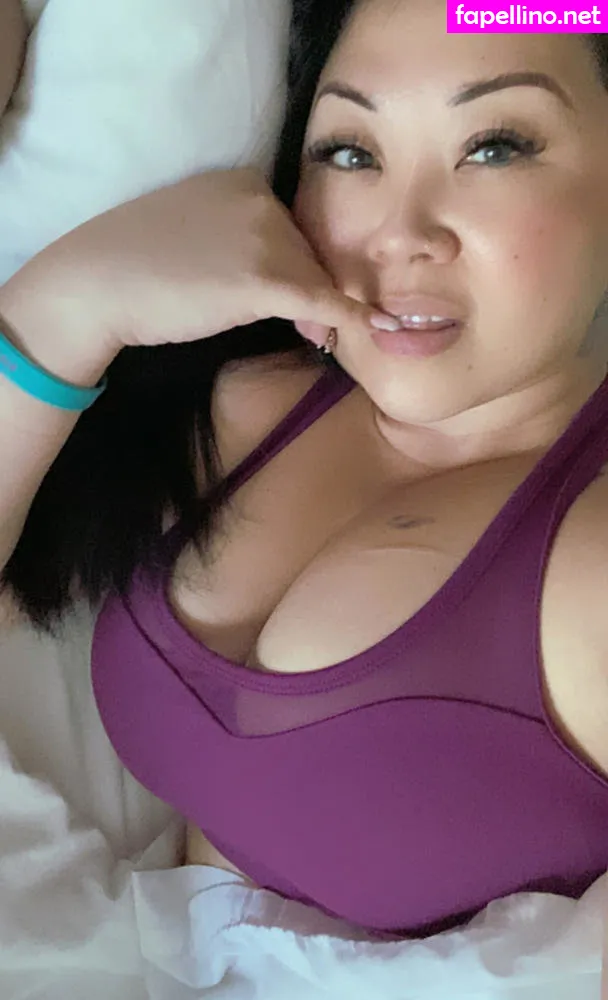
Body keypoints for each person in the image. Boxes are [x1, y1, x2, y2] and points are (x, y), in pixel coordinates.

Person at [0, 0, 607, 942]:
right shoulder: (234, 401)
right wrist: (69, 307)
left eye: (495, 146)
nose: (399, 232)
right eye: (351, 152)